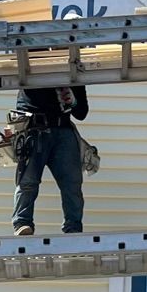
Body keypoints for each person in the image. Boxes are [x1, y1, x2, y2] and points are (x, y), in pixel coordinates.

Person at [9, 84, 89, 235]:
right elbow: (24, 103)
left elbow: (82, 112)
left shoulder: (72, 78)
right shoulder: (34, 74)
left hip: (61, 129)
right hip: (35, 128)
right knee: (28, 181)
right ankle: (22, 223)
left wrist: (73, 102)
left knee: (71, 184)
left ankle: (73, 227)